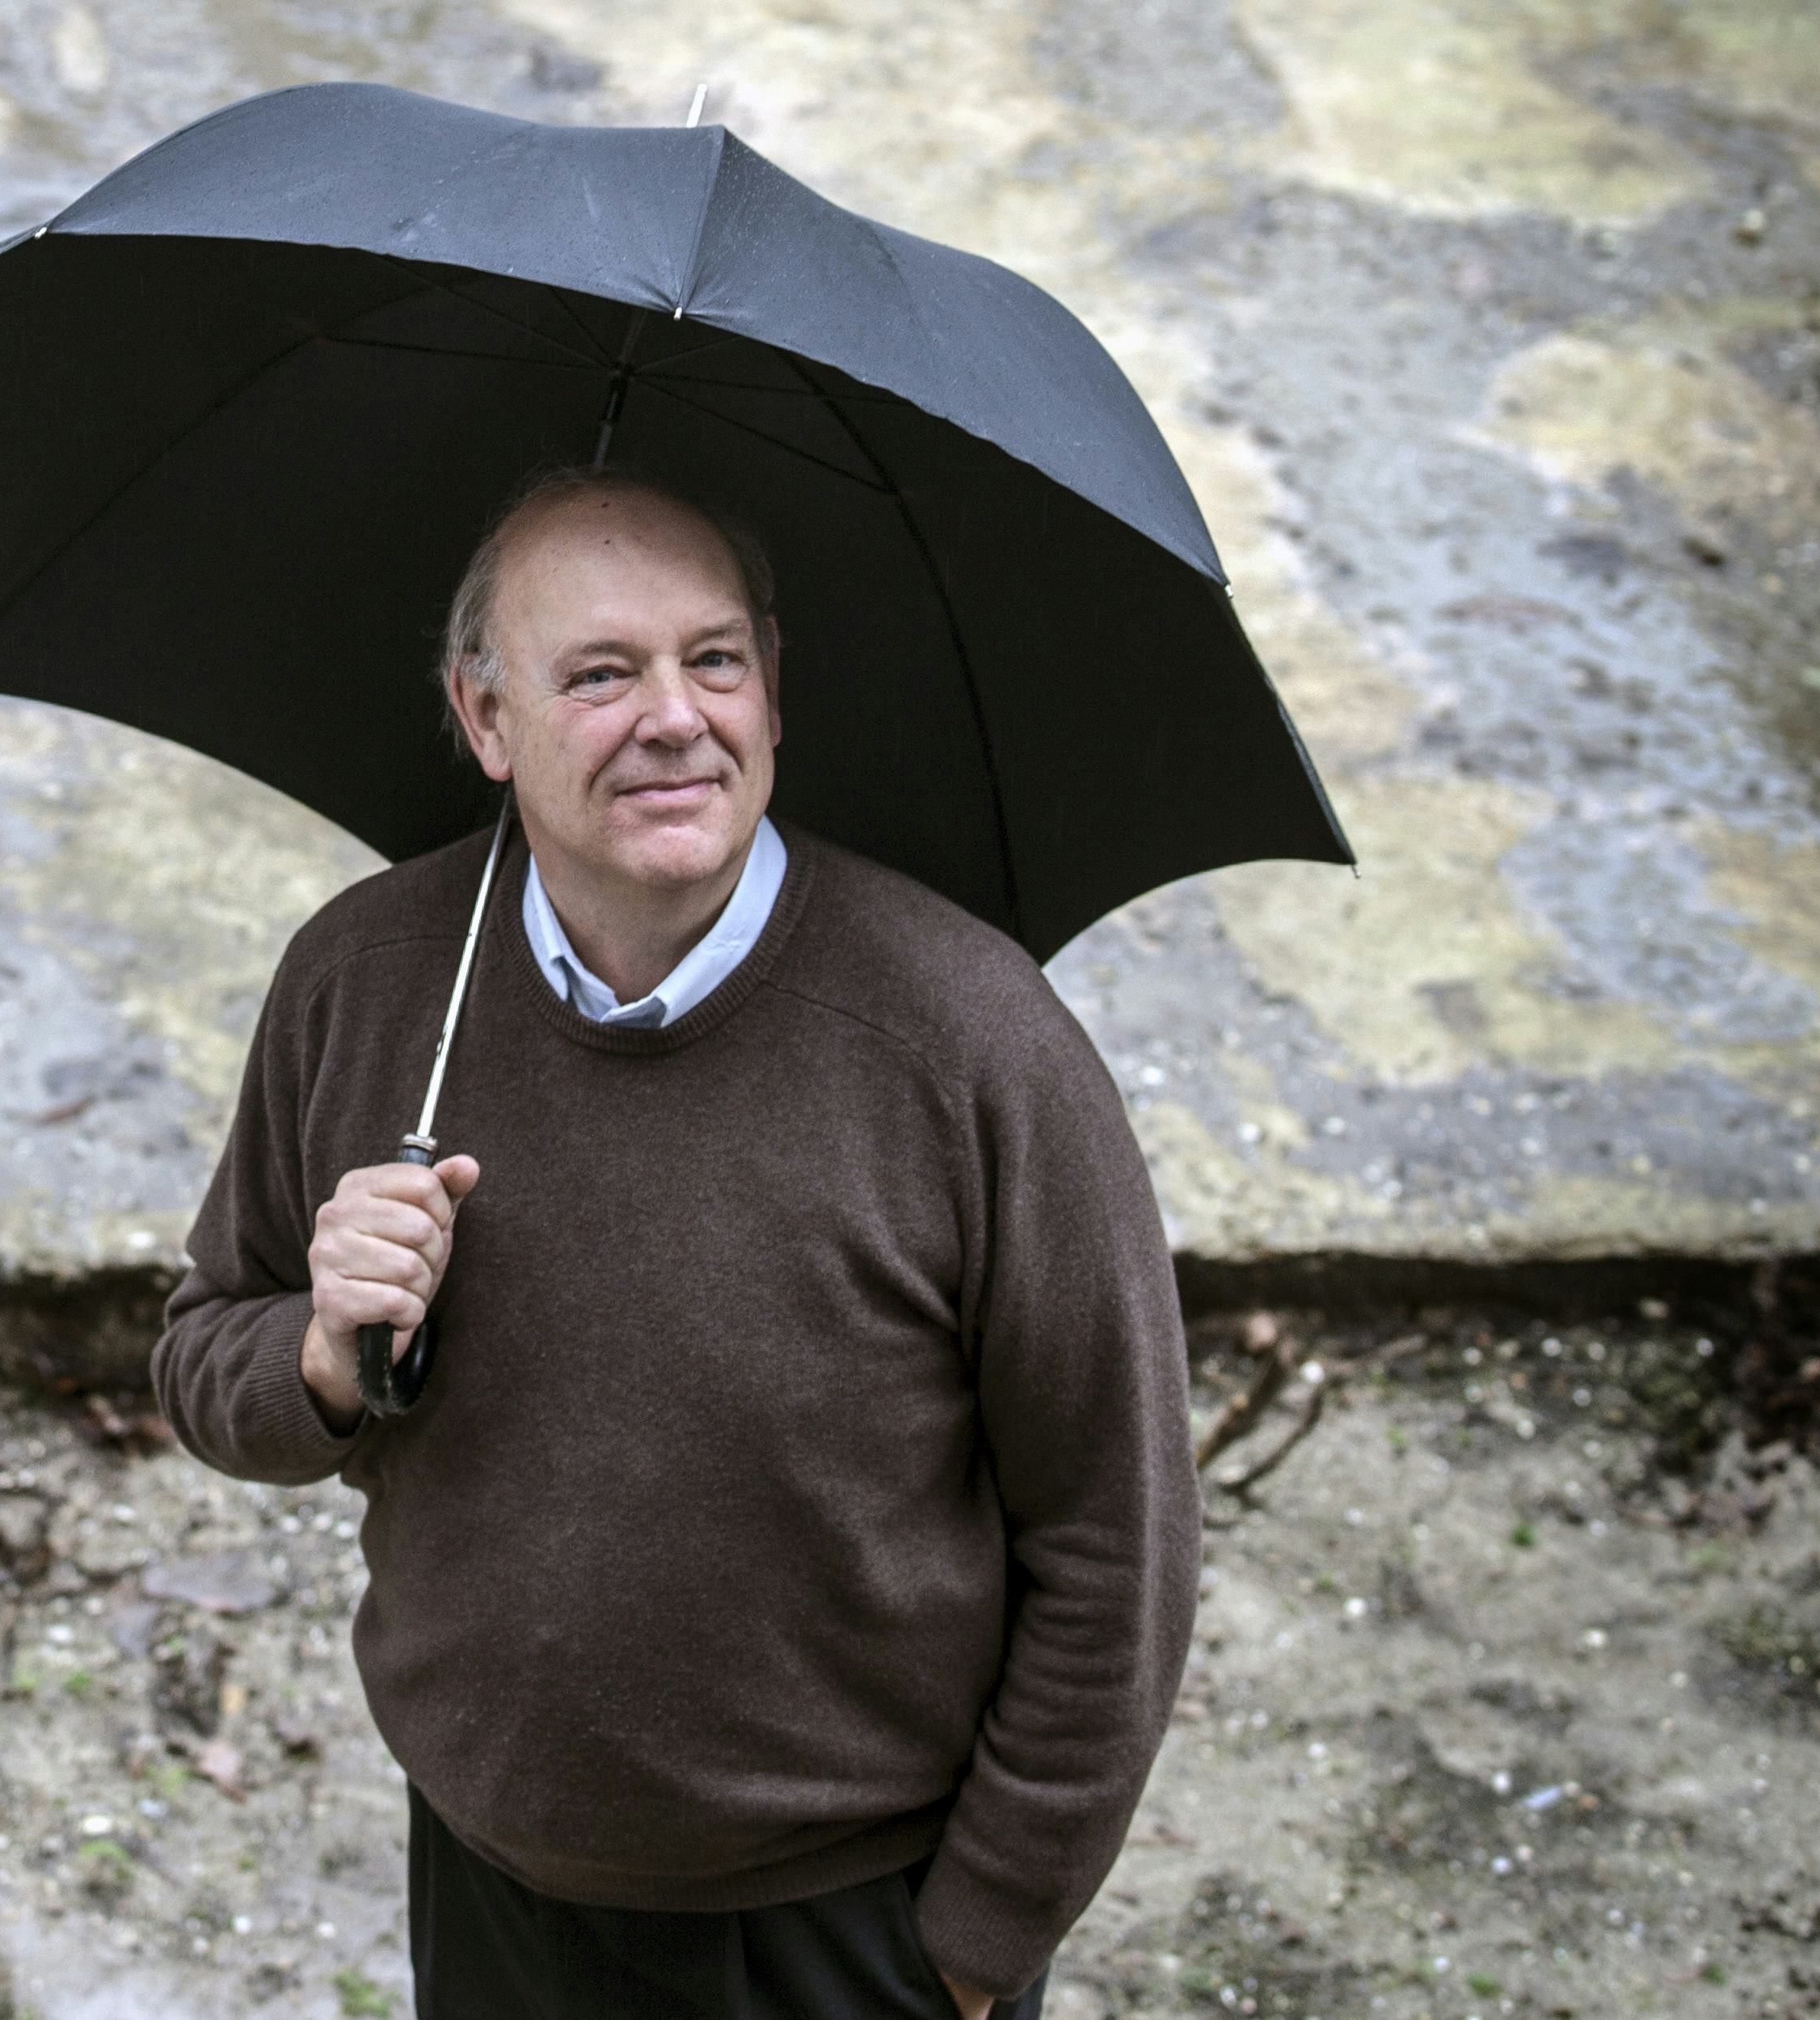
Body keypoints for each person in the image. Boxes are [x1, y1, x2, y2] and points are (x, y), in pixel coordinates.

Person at [152, 463, 1199, 2019]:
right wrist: (315, 1353)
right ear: (484, 716)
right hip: (496, 1879)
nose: (672, 718)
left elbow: (1119, 1532)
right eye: (597, 674)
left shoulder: (975, 1045)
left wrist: (982, 1939)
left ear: (773, 685)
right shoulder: (366, 981)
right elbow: (199, 1355)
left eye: (714, 659)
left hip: (851, 1928)